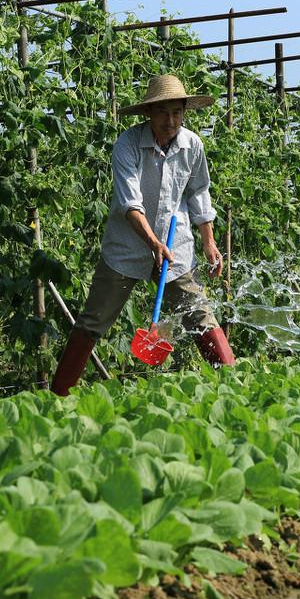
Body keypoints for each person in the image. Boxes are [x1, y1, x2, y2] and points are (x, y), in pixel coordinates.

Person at [50, 74, 235, 396]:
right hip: (128, 247)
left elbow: (199, 192)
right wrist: (152, 243)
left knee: (199, 314)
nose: (170, 120)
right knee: (93, 321)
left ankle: (233, 385)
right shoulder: (128, 144)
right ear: (149, 113)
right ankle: (57, 396)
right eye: (163, 112)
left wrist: (209, 241)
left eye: (177, 112)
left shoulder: (192, 144)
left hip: (175, 247)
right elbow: (129, 202)